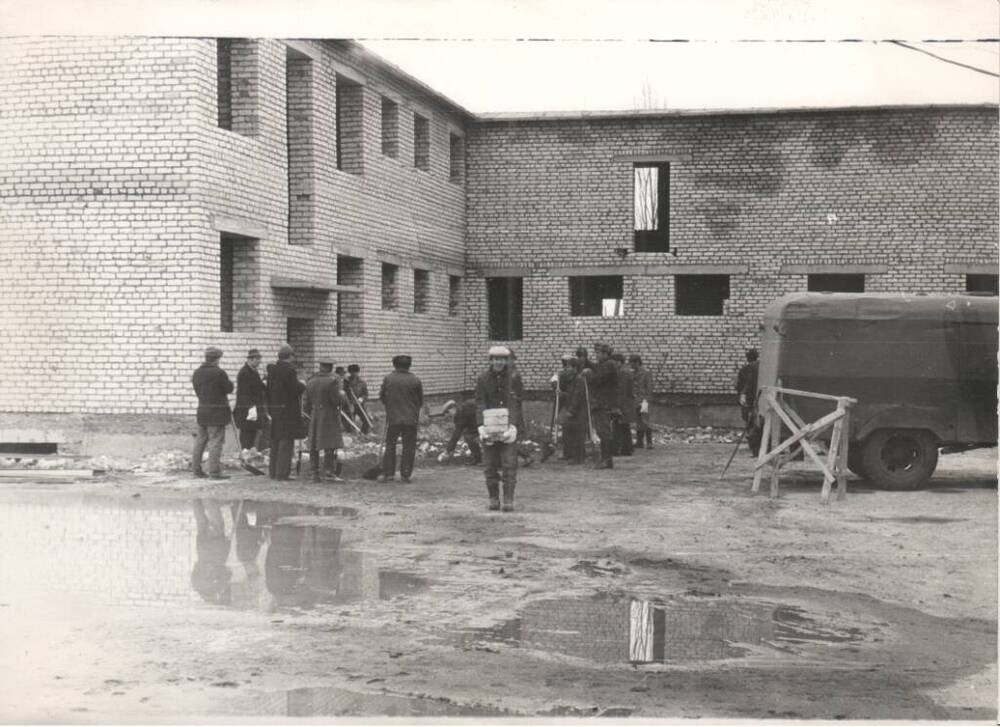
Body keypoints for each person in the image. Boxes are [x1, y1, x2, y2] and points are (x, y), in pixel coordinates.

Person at [475, 345, 524, 511]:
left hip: (507, 426)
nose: (499, 362)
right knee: (490, 465)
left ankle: (508, 499)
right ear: (491, 360)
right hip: (489, 427)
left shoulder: (514, 378)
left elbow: (515, 402)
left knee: (509, 464)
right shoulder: (483, 378)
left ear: (506, 360)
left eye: (502, 359)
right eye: (496, 359)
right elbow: (480, 401)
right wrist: (481, 425)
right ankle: (493, 498)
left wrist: (514, 426)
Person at [379, 354, 423, 483]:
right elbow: (420, 401)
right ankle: (405, 474)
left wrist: (390, 407)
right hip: (411, 419)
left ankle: (389, 474)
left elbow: (382, 397)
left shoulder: (388, 379)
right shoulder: (415, 380)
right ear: (409, 365)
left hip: (393, 418)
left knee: (390, 445)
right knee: (409, 446)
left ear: (394, 364)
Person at [191, 346, 233, 480]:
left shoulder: (197, 372)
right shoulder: (219, 373)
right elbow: (228, 388)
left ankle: (196, 470)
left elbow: (197, 391)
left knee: (200, 442)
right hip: (217, 412)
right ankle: (214, 472)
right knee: (216, 442)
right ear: (217, 359)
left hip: (202, 410)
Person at [303, 361, 348, 483]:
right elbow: (336, 400)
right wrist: (343, 395)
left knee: (313, 444)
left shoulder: (310, 381)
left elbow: (305, 402)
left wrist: (312, 412)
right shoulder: (332, 381)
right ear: (330, 368)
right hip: (329, 414)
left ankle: (314, 473)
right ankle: (328, 472)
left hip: (315, 413)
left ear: (320, 367)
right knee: (329, 443)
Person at [266, 344, 305, 481]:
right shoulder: (289, 370)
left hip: (275, 409)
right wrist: (302, 385)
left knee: (275, 441)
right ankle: (282, 474)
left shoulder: (272, 370)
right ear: (290, 356)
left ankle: (273, 472)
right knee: (286, 442)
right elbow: (293, 389)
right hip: (288, 411)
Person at [583, 342, 618, 469]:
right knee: (602, 431)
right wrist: (586, 361)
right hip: (602, 402)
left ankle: (606, 460)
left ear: (605, 353)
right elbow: (596, 368)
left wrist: (588, 375)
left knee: (604, 431)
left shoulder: (609, 365)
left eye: (598, 353)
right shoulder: (606, 364)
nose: (596, 355)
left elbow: (598, 379)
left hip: (603, 403)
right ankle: (606, 459)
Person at [233, 348, 268, 451]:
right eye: (257, 360)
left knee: (252, 434)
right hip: (247, 410)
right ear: (251, 359)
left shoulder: (253, 371)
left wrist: (264, 383)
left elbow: (258, 387)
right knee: (246, 435)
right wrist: (251, 409)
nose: (259, 362)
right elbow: (245, 393)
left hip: (253, 409)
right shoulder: (244, 373)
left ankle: (249, 456)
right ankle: (245, 456)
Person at [558, 357, 587, 464]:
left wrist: (571, 410)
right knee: (571, 432)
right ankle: (573, 455)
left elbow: (577, 396)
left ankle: (578, 458)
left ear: (575, 368)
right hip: (573, 409)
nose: (567, 369)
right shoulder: (572, 379)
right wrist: (563, 394)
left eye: (569, 366)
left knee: (578, 434)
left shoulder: (579, 379)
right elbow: (570, 394)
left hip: (578, 411)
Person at [439, 399, 482, 465]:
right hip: (476, 427)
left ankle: (479, 459)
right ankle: (478, 459)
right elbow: (457, 433)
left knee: (469, 436)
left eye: (448, 412)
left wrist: (447, 451)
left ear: (452, 409)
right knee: (468, 435)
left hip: (482, 425)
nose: (448, 415)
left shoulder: (462, 413)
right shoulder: (460, 413)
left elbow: (456, 434)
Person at [736, 348, 761, 455]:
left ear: (747, 358)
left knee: (750, 424)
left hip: (748, 400)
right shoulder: (761, 367)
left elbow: (740, 386)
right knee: (759, 424)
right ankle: (759, 447)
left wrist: (742, 395)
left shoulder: (745, 369)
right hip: (760, 398)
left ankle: (754, 448)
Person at [612, 352, 635, 456]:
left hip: (623, 404)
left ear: (618, 362)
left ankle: (618, 449)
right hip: (627, 403)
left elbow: (621, 390)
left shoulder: (622, 373)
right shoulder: (628, 372)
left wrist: (617, 406)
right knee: (624, 426)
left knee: (618, 426)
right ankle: (627, 448)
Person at [630, 354, 654, 449]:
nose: (631, 366)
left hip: (644, 401)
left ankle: (649, 442)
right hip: (636, 400)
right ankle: (639, 442)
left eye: (632, 363)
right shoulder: (632, 373)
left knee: (645, 421)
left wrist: (646, 400)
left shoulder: (646, 373)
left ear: (637, 363)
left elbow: (649, 387)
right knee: (638, 421)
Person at [345, 364, 371, 434]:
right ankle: (352, 435)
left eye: (355, 372)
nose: (354, 374)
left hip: (359, 405)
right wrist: (348, 402)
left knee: (367, 420)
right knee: (350, 422)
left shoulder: (362, 382)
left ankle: (363, 434)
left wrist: (361, 399)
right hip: (350, 405)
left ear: (358, 372)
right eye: (352, 372)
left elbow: (366, 395)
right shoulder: (346, 382)